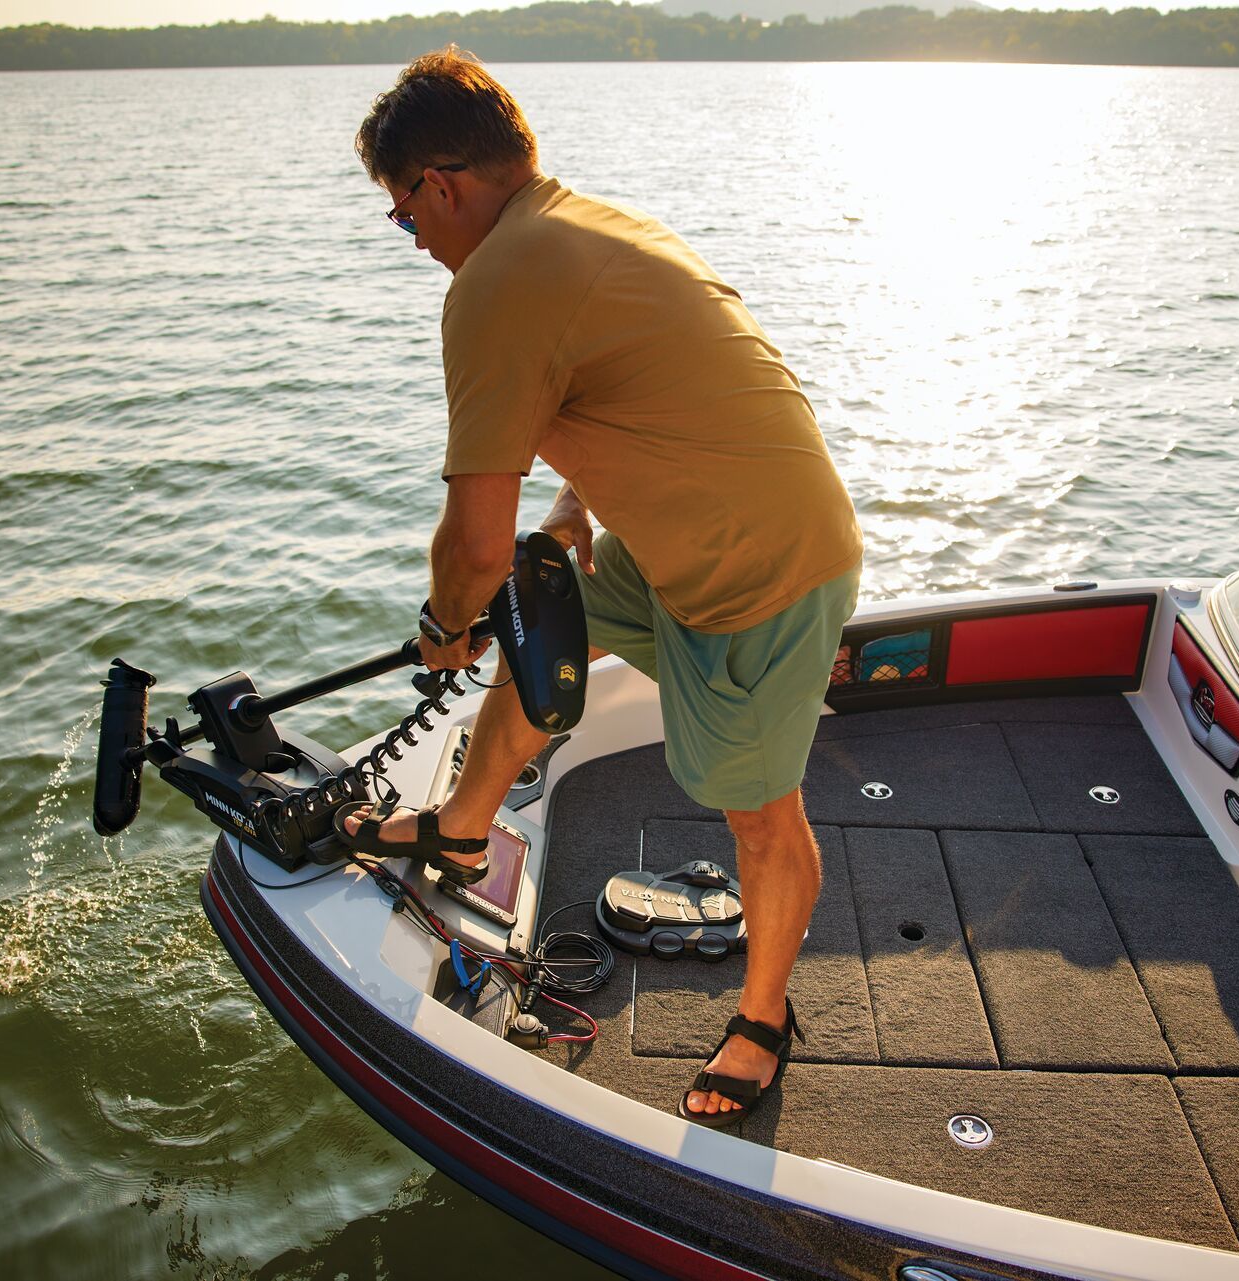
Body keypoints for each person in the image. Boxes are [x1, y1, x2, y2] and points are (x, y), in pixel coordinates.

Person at [338, 47, 861, 1128]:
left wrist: (444, 626)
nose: (415, 241)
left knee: (757, 814)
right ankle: (463, 830)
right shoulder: (583, 227)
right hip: (683, 537)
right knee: (545, 617)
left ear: (441, 185)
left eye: (404, 217)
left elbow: (475, 542)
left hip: (762, 572)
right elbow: (639, 398)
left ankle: (763, 1018)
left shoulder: (495, 282)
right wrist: (576, 513)